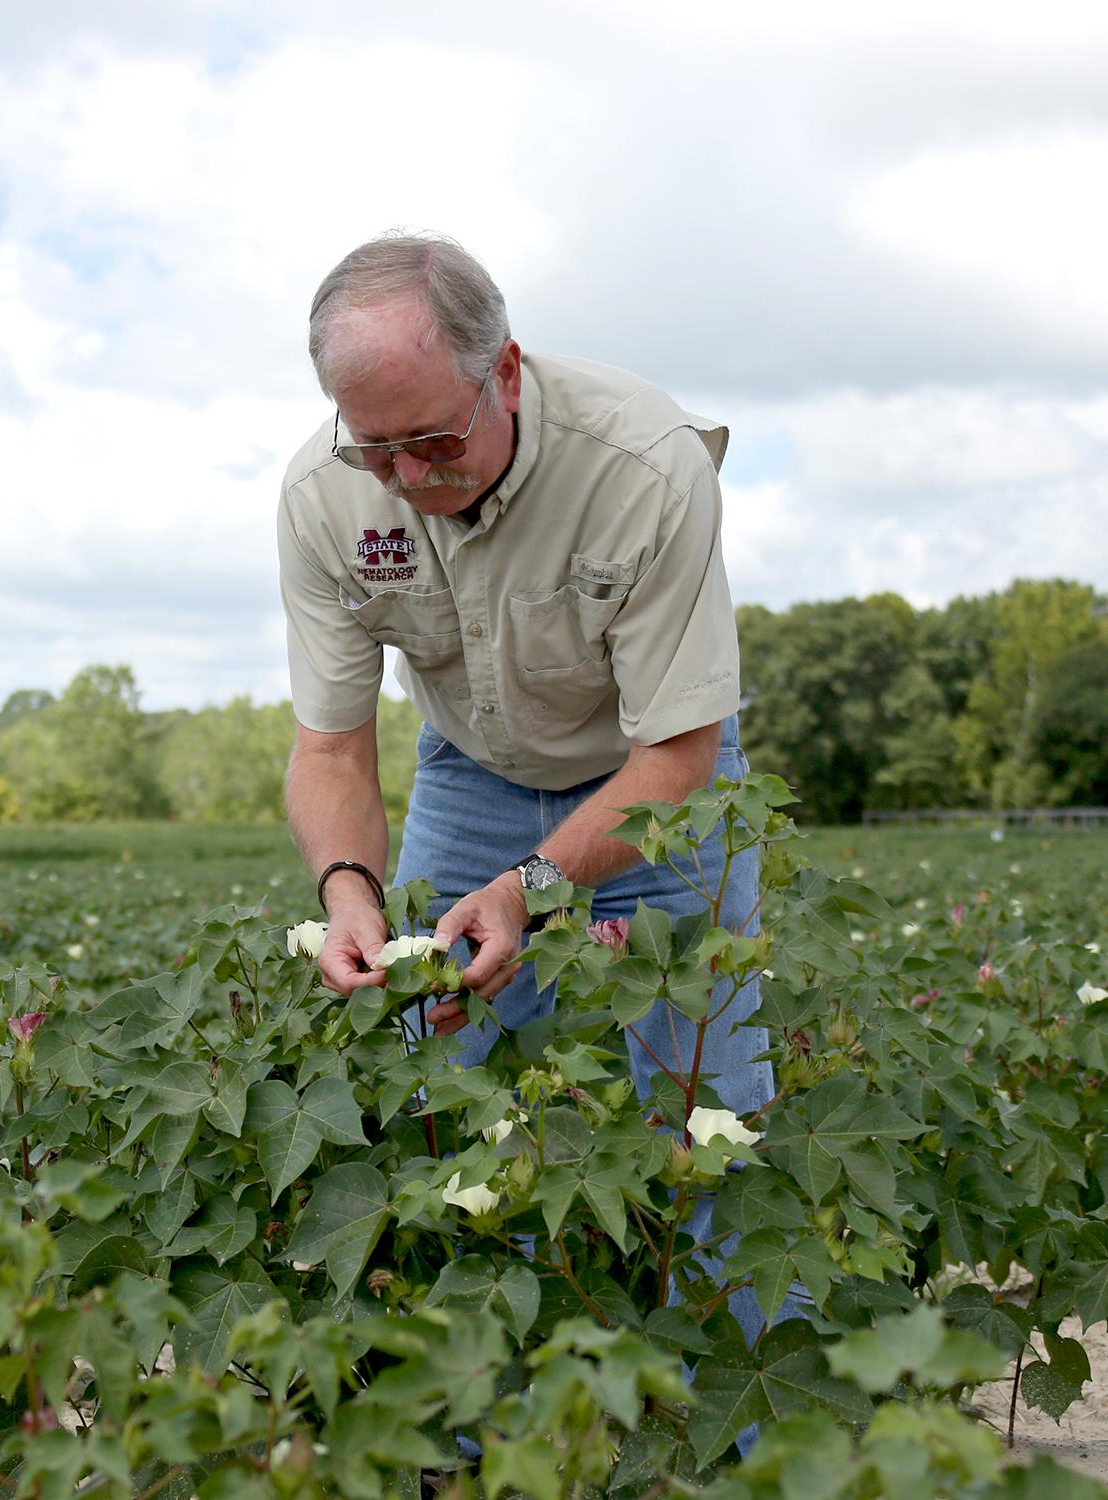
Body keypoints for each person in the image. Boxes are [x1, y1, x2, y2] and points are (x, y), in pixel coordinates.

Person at [277, 233, 794, 1353]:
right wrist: (348, 893)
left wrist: (533, 884)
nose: (409, 481)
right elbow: (330, 750)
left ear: (503, 371)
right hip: (469, 772)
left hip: (652, 777)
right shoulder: (322, 499)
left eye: (434, 442)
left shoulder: (642, 463)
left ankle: (751, 1446)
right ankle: (491, 1441)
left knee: (705, 1112)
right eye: (377, 452)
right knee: (466, 1103)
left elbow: (678, 755)